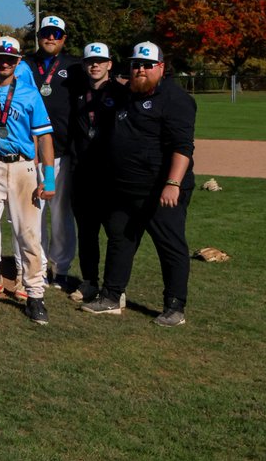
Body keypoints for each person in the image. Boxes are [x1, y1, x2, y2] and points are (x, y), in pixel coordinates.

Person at [81, 42, 196, 327]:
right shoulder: (125, 95)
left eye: (146, 65)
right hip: (124, 188)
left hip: (160, 189)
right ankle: (111, 296)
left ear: (161, 67)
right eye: (135, 65)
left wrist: (173, 183)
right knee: (120, 240)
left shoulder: (175, 98)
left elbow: (183, 146)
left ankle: (174, 306)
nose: (140, 69)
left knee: (169, 245)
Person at [0, 36, 56, 325]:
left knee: (29, 234)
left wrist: (49, 177)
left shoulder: (29, 93)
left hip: (22, 167)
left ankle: (35, 294)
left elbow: (44, 136)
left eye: (10, 58)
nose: (4, 62)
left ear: (18, 62)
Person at [27, 15, 85, 292]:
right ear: (39, 36)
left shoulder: (75, 66)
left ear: (64, 38)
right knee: (32, 213)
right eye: (45, 33)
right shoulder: (25, 64)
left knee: (60, 213)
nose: (50, 38)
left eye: (55, 34)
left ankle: (61, 268)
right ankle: (36, 267)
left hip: (61, 153)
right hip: (29, 153)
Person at [67, 42, 122, 303]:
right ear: (84, 64)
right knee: (87, 233)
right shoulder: (76, 93)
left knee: (115, 234)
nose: (95, 65)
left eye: (100, 60)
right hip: (83, 174)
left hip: (110, 176)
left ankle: (115, 288)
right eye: (90, 61)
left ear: (110, 64)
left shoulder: (122, 93)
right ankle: (89, 281)